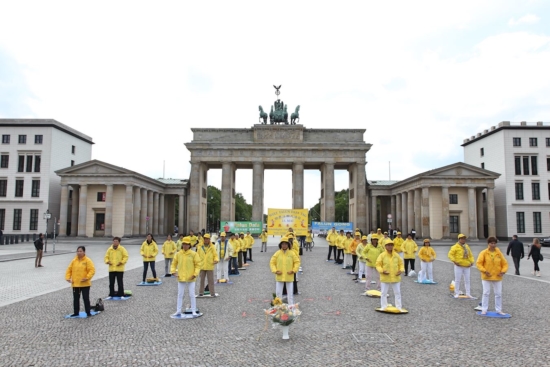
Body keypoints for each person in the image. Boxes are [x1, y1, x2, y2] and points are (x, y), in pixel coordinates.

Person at [476, 236, 508, 315]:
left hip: (497, 276)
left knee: (498, 294)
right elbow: (479, 263)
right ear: (488, 244)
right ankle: (484, 309)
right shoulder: (483, 252)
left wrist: (503, 271)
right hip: (487, 275)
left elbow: (505, 264)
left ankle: (498, 309)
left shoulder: (499, 253)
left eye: (494, 243)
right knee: (486, 293)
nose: (493, 245)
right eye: (491, 243)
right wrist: (484, 271)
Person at [171, 236, 201, 316]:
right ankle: (178, 310)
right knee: (180, 294)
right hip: (181, 277)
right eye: (184, 244)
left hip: (191, 277)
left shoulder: (194, 254)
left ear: (189, 245)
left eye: (187, 244)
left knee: (192, 294)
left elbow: (198, 265)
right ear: (182, 244)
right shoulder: (178, 254)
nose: (185, 246)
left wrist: (195, 274)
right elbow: (173, 263)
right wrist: (173, 271)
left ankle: (194, 310)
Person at [65, 246, 96, 317]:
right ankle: (76, 312)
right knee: (76, 299)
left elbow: (92, 270)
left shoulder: (87, 260)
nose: (79, 252)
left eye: (80, 251)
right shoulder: (74, 261)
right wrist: (68, 278)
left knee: (86, 298)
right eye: (78, 251)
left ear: (84, 252)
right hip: (75, 283)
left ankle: (88, 312)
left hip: (84, 283)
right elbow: (69, 270)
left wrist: (87, 277)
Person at [269, 236, 300, 305]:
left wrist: (293, 270)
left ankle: (291, 309)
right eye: (282, 244)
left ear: (288, 245)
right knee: (278, 294)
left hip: (289, 276)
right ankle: (278, 309)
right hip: (279, 277)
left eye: (286, 244)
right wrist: (275, 271)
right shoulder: (277, 253)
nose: (284, 245)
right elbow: (272, 262)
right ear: (280, 245)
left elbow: (297, 262)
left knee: (290, 295)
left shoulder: (292, 253)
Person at [376, 241, 405, 311]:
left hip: (395, 276)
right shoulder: (382, 255)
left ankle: (398, 307)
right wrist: (382, 271)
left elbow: (401, 264)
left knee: (397, 292)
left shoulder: (396, 255)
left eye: (391, 245)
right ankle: (383, 306)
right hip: (385, 276)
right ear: (385, 246)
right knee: (383, 293)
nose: (390, 246)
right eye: (388, 245)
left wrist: (401, 270)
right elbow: (378, 265)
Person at [448, 234, 475, 298]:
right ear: (459, 239)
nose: (463, 240)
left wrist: (472, 261)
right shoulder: (455, 247)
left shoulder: (467, 247)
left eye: (464, 239)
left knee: (467, 280)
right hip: (459, 265)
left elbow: (470, 255)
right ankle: (456, 293)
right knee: (458, 280)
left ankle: (468, 293)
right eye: (462, 239)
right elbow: (450, 255)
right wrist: (454, 261)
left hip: (467, 265)